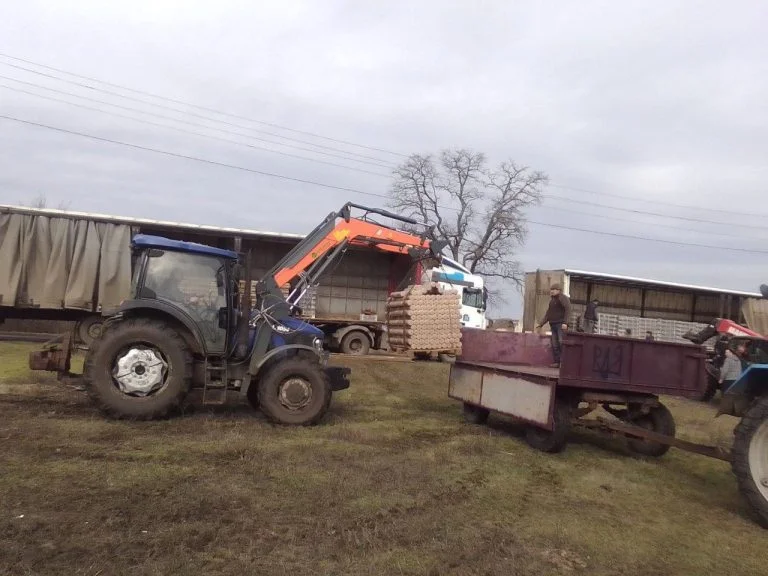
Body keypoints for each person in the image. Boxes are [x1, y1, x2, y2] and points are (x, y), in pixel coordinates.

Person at [536, 283, 571, 368]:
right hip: (553, 324)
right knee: (555, 344)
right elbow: (548, 314)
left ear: (559, 290)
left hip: (560, 324)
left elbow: (568, 309)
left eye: (554, 289)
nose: (552, 291)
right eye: (551, 289)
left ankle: (564, 362)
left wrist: (565, 322)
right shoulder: (552, 301)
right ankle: (557, 362)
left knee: (561, 342)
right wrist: (540, 324)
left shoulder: (563, 298)